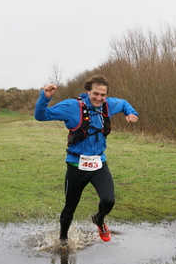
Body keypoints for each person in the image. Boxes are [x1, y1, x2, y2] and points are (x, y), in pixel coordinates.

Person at [34, 75, 139, 247]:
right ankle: (63, 240)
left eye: (102, 95)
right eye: (95, 93)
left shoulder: (108, 105)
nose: (99, 98)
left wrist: (132, 113)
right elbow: (41, 115)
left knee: (109, 200)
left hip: (99, 163)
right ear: (88, 91)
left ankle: (99, 219)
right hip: (77, 165)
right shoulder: (71, 106)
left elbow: (124, 103)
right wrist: (45, 97)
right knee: (70, 207)